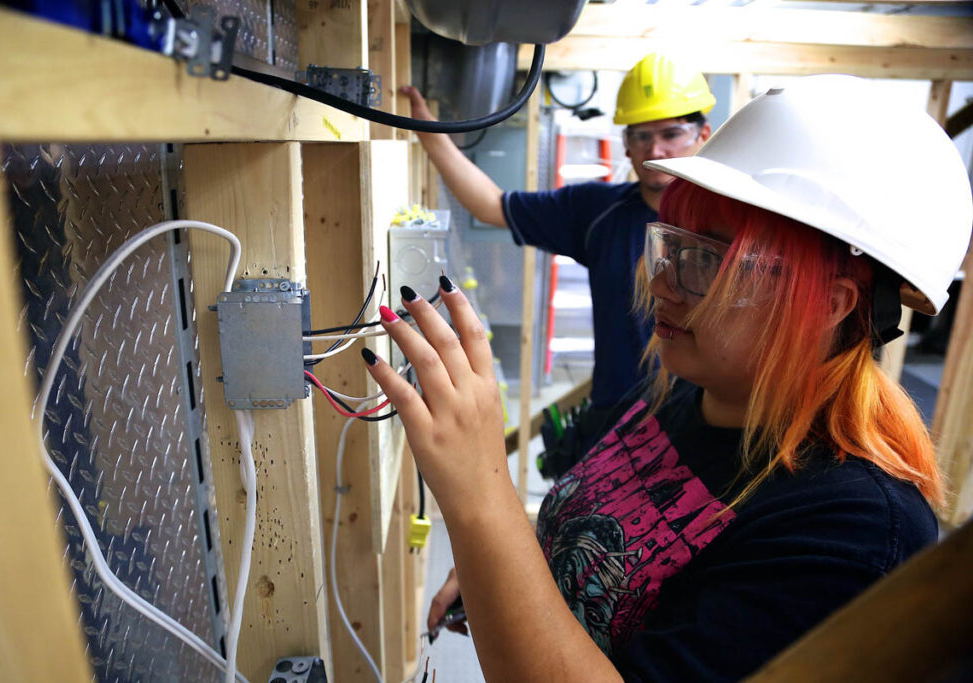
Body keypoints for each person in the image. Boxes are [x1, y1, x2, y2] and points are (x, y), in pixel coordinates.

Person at [362, 74, 973, 680]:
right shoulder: (685, 390)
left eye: (707, 260)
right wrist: (505, 566)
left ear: (830, 305)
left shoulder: (856, 532)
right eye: (671, 247)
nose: (660, 284)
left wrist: (480, 501)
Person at [401, 53, 716, 451]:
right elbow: (490, 206)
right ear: (626, 143)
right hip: (616, 428)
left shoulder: (729, 224)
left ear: (703, 135)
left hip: (701, 429)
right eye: (641, 135)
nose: (656, 149)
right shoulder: (598, 212)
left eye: (672, 134)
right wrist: (426, 130)